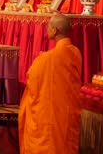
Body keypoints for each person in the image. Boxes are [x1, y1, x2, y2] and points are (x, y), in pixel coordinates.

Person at [18, 14, 82, 154]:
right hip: (68, 115)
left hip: (50, 119)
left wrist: (42, 60)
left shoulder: (46, 58)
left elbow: (32, 81)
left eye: (48, 26)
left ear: (55, 30)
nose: (47, 29)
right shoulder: (75, 52)